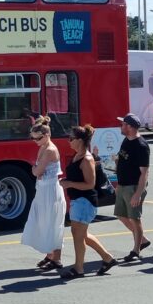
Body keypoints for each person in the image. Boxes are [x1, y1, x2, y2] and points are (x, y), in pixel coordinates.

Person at [59, 125, 117, 280]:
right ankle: (107, 258)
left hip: (85, 201)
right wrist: (68, 182)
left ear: (79, 140)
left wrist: (69, 184)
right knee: (81, 234)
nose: (68, 141)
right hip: (79, 200)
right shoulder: (78, 155)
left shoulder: (87, 159)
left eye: (71, 138)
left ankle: (79, 268)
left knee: (78, 235)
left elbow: (90, 184)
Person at [21, 116, 65, 270]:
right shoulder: (43, 147)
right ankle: (50, 254)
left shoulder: (50, 149)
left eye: (37, 138)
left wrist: (35, 169)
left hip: (50, 190)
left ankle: (56, 258)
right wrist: (36, 170)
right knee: (43, 222)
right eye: (33, 139)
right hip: (43, 188)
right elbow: (36, 169)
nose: (35, 142)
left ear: (46, 135)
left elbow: (37, 170)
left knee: (52, 223)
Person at [114, 113, 152, 263]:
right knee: (121, 215)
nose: (121, 126)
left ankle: (136, 250)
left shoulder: (141, 146)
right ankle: (142, 239)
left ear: (129, 127)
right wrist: (118, 184)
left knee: (134, 218)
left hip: (133, 186)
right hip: (123, 185)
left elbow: (144, 173)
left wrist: (138, 193)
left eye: (123, 124)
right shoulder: (126, 140)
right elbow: (121, 162)